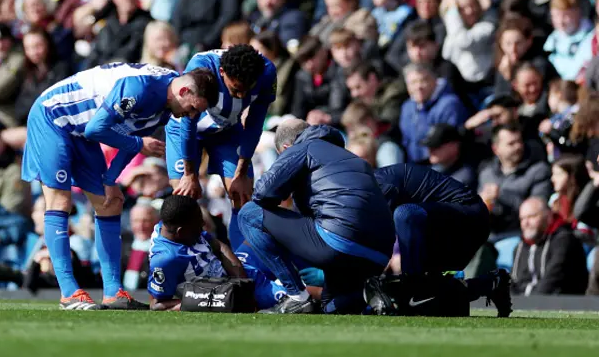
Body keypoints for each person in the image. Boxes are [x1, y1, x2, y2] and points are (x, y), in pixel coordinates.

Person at [21, 62, 219, 310]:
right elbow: (99, 130)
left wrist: (110, 180)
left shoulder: (166, 104)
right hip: (53, 117)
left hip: (81, 131)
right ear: (184, 92)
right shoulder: (140, 89)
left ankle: (114, 292)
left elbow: (127, 134)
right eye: (193, 109)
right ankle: (69, 293)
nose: (191, 116)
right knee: (60, 201)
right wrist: (138, 145)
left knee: (111, 202)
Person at [238, 120, 395, 314]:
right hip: (380, 254)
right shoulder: (349, 156)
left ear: (286, 149)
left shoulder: (304, 147)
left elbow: (262, 194)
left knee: (248, 214)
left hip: (339, 241)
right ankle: (371, 292)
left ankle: (297, 297)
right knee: (331, 307)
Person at [166, 45, 276, 251]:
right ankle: (186, 265)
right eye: (235, 89)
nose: (242, 96)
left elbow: (254, 122)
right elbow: (188, 123)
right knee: (182, 199)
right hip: (187, 128)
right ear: (222, 73)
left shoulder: (267, 72)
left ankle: (244, 267)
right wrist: (190, 174)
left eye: (247, 90)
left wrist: (242, 170)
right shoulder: (200, 68)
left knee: (242, 197)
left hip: (227, 130)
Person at [365, 163, 512, 318]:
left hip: (469, 219)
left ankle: (412, 287)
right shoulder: (369, 184)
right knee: (432, 299)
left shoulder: (379, 185)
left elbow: (374, 244)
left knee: (405, 214)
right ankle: (490, 283)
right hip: (440, 225)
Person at [148, 194, 286, 311]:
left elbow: (219, 246)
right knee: (298, 300)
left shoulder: (170, 224)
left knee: (272, 232)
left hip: (239, 271)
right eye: (198, 223)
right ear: (180, 231)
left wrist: (243, 283)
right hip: (228, 291)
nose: (202, 224)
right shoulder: (166, 259)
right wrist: (209, 302)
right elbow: (157, 304)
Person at [511, 197, 588, 295]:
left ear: (548, 216)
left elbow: (553, 281)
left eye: (532, 216)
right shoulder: (519, 248)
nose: (526, 223)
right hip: (525, 305)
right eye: (522, 218)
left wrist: (528, 304)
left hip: (560, 306)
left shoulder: (564, 241)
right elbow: (514, 283)